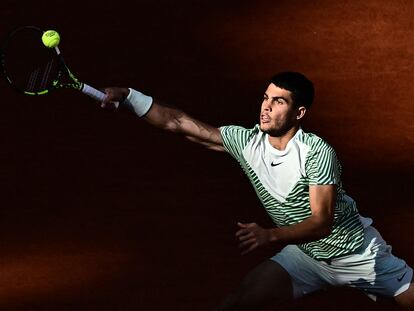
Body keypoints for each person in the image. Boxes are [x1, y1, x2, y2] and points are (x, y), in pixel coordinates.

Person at [101, 72, 414, 310]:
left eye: (278, 101)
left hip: (358, 255)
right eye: (266, 97)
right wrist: (130, 95)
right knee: (242, 299)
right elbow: (176, 121)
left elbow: (322, 223)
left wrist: (270, 236)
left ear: (299, 113)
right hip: (306, 256)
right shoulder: (247, 142)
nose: (266, 106)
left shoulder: (317, 153)